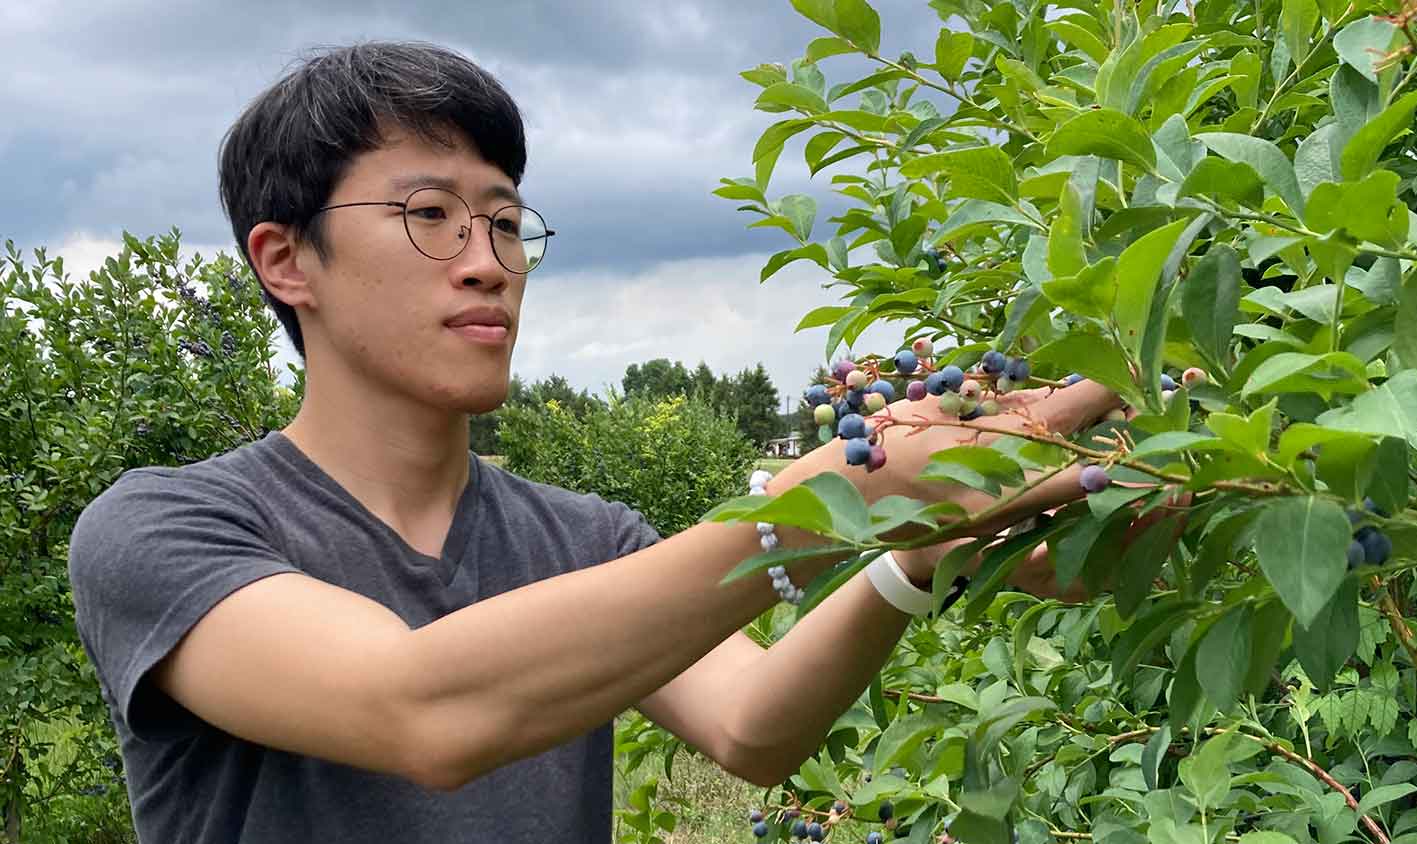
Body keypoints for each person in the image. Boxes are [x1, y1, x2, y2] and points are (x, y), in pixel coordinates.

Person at [66, 40, 1153, 843]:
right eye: (430, 214)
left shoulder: (582, 537)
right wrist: (839, 496)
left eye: (503, 221)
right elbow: (421, 708)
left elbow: (753, 726)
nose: (487, 259)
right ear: (284, 259)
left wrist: (911, 552)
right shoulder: (160, 528)